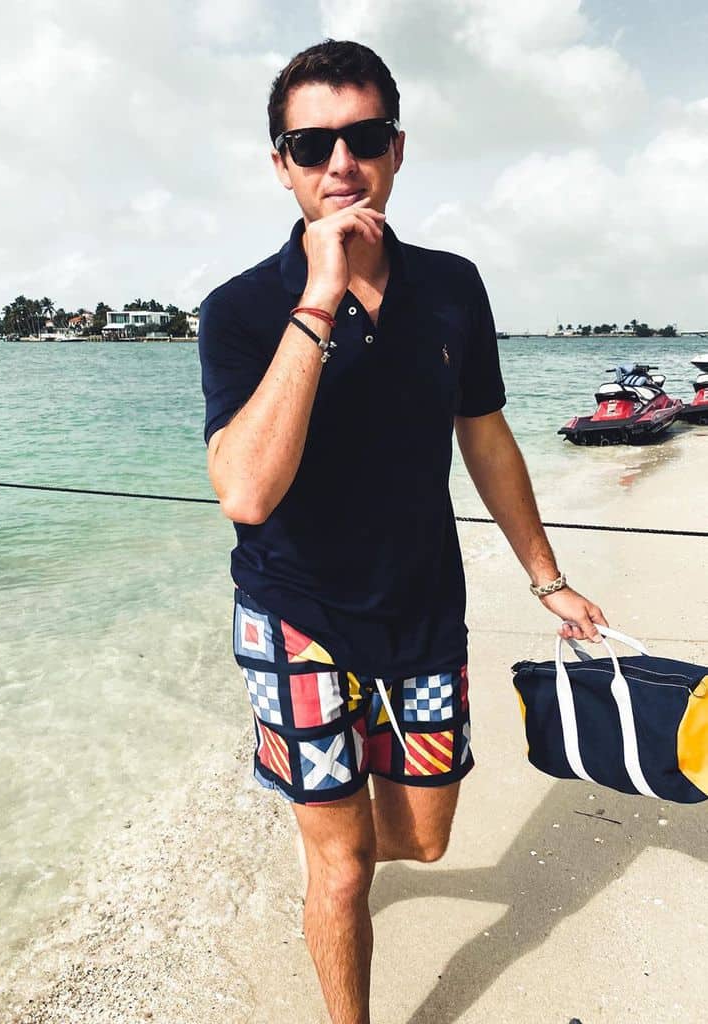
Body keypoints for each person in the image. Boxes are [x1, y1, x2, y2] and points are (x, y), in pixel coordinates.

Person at [198, 38, 607, 1024]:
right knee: (341, 872)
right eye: (311, 144)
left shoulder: (453, 288)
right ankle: (326, 861)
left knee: (420, 839)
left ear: (396, 147)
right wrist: (321, 293)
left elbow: (489, 436)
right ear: (281, 163)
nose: (340, 163)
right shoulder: (242, 310)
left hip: (421, 609)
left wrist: (547, 578)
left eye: (362, 136)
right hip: (293, 612)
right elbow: (246, 492)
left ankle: (326, 816)